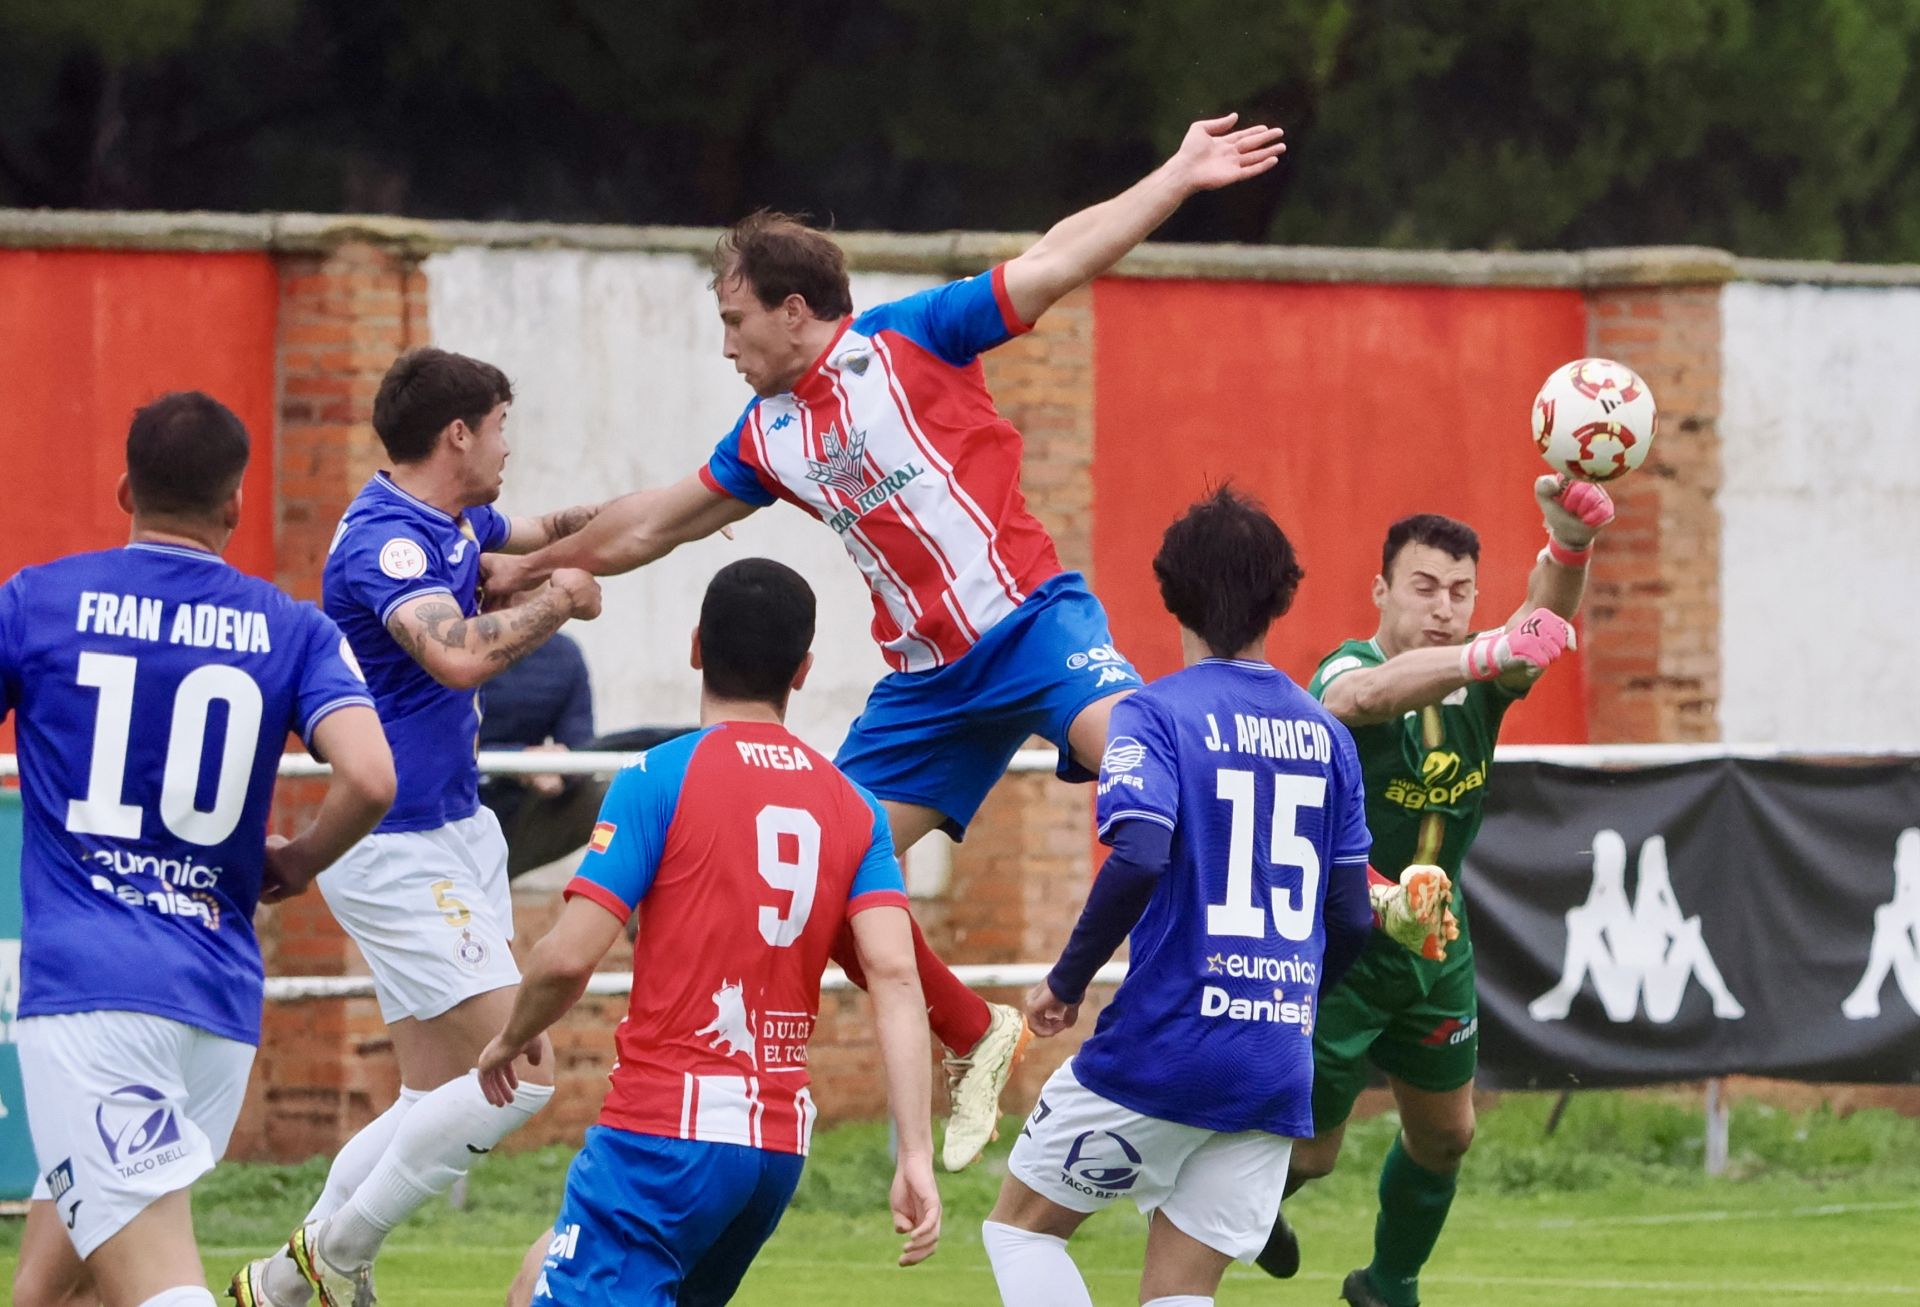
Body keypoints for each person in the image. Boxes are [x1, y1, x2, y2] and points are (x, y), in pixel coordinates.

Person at [484, 112, 1290, 1169]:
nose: (724, 345)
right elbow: (653, 521)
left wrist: (1178, 176)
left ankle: (1299, 939)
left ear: (794, 309)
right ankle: (980, 1033)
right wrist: (529, 564)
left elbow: (1055, 258)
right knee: (823, 880)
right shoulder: (767, 434)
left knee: (1157, 767)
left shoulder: (913, 337)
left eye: (734, 322)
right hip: (927, 688)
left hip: (1034, 624)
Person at [228, 349, 607, 1307]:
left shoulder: (449, 520)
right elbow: (452, 655)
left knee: (430, 1096)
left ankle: (283, 1284)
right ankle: (328, 1257)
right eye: (501, 429)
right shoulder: (385, 541)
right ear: (459, 435)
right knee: (520, 1073)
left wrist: (709, 495)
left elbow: (547, 534)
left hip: (453, 830)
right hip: (392, 844)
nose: (508, 448)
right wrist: (558, 598)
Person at [6, 392, 395, 1307]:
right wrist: (296, 861)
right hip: (216, 999)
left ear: (123, 489)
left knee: (154, 1287)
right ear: (234, 505)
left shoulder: (38, 601)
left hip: (94, 996)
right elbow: (372, 777)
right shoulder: (291, 628)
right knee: (62, 1282)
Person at [484, 558, 939, 1305]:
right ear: (803, 669)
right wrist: (914, 1151)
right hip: (773, 1147)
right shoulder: (855, 807)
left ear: (696, 646)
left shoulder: (656, 777)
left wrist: (509, 1035)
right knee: (540, 1274)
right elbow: (894, 973)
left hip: (665, 1133)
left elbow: (568, 958)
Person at [980, 487, 1373, 1307]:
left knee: (1020, 1226)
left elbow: (1140, 850)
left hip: (1166, 1045)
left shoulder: (1154, 714)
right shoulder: (1328, 736)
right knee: (1180, 1291)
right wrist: (1292, 1002)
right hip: (1273, 1062)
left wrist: (1068, 978)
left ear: (1171, 593)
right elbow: (1350, 916)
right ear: (1282, 595)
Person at [1255, 476, 1615, 1307]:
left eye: (1461, 593)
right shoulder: (1353, 663)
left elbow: (1540, 622)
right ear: (1382, 591)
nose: (1444, 607)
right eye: (1423, 587)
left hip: (1434, 944)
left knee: (1448, 1135)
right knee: (1311, 1154)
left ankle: (1387, 1285)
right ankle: (1244, 1202)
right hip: (1338, 944)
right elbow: (1357, 698)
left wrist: (1567, 545)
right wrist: (1487, 650)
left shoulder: (1475, 681)